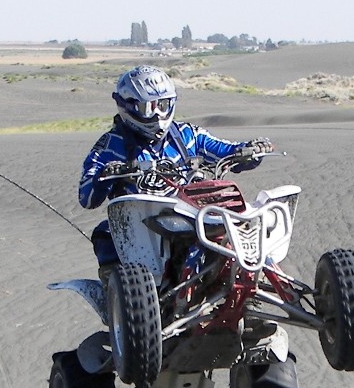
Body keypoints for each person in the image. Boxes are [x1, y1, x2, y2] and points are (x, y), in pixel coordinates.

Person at [79, 64, 274, 271]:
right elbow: (87, 197)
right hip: (142, 225)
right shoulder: (109, 145)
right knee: (106, 235)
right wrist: (107, 173)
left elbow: (227, 151)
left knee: (251, 225)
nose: (157, 115)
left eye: (163, 105)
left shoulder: (189, 135)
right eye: (148, 107)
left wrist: (251, 150)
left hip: (195, 211)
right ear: (128, 106)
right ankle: (123, 297)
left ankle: (265, 275)